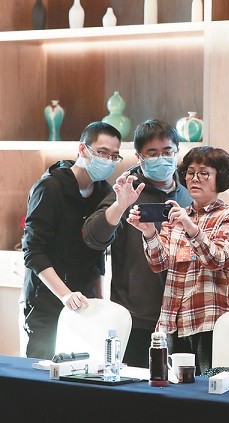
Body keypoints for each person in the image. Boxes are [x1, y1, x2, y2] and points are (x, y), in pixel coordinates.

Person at [83, 119, 193, 368]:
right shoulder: (126, 190)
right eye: (152, 153)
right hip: (137, 317)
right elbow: (93, 237)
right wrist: (120, 204)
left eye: (167, 151)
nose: (161, 158)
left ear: (177, 152)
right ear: (138, 156)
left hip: (184, 317)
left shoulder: (189, 193)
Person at [126, 146, 229, 375]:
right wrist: (149, 232)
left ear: (220, 178)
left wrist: (190, 227)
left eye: (204, 173)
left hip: (211, 320)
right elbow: (158, 263)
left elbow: (217, 259)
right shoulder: (177, 216)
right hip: (172, 320)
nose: (195, 178)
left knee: (211, 387)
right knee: (173, 387)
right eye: (190, 172)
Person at [21, 121, 122, 359]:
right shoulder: (50, 187)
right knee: (43, 370)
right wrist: (65, 295)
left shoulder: (104, 192)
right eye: (102, 153)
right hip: (46, 302)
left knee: (83, 371)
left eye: (114, 156)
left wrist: (100, 299)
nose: (108, 161)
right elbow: (33, 252)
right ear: (83, 149)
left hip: (84, 304)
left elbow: (97, 251)